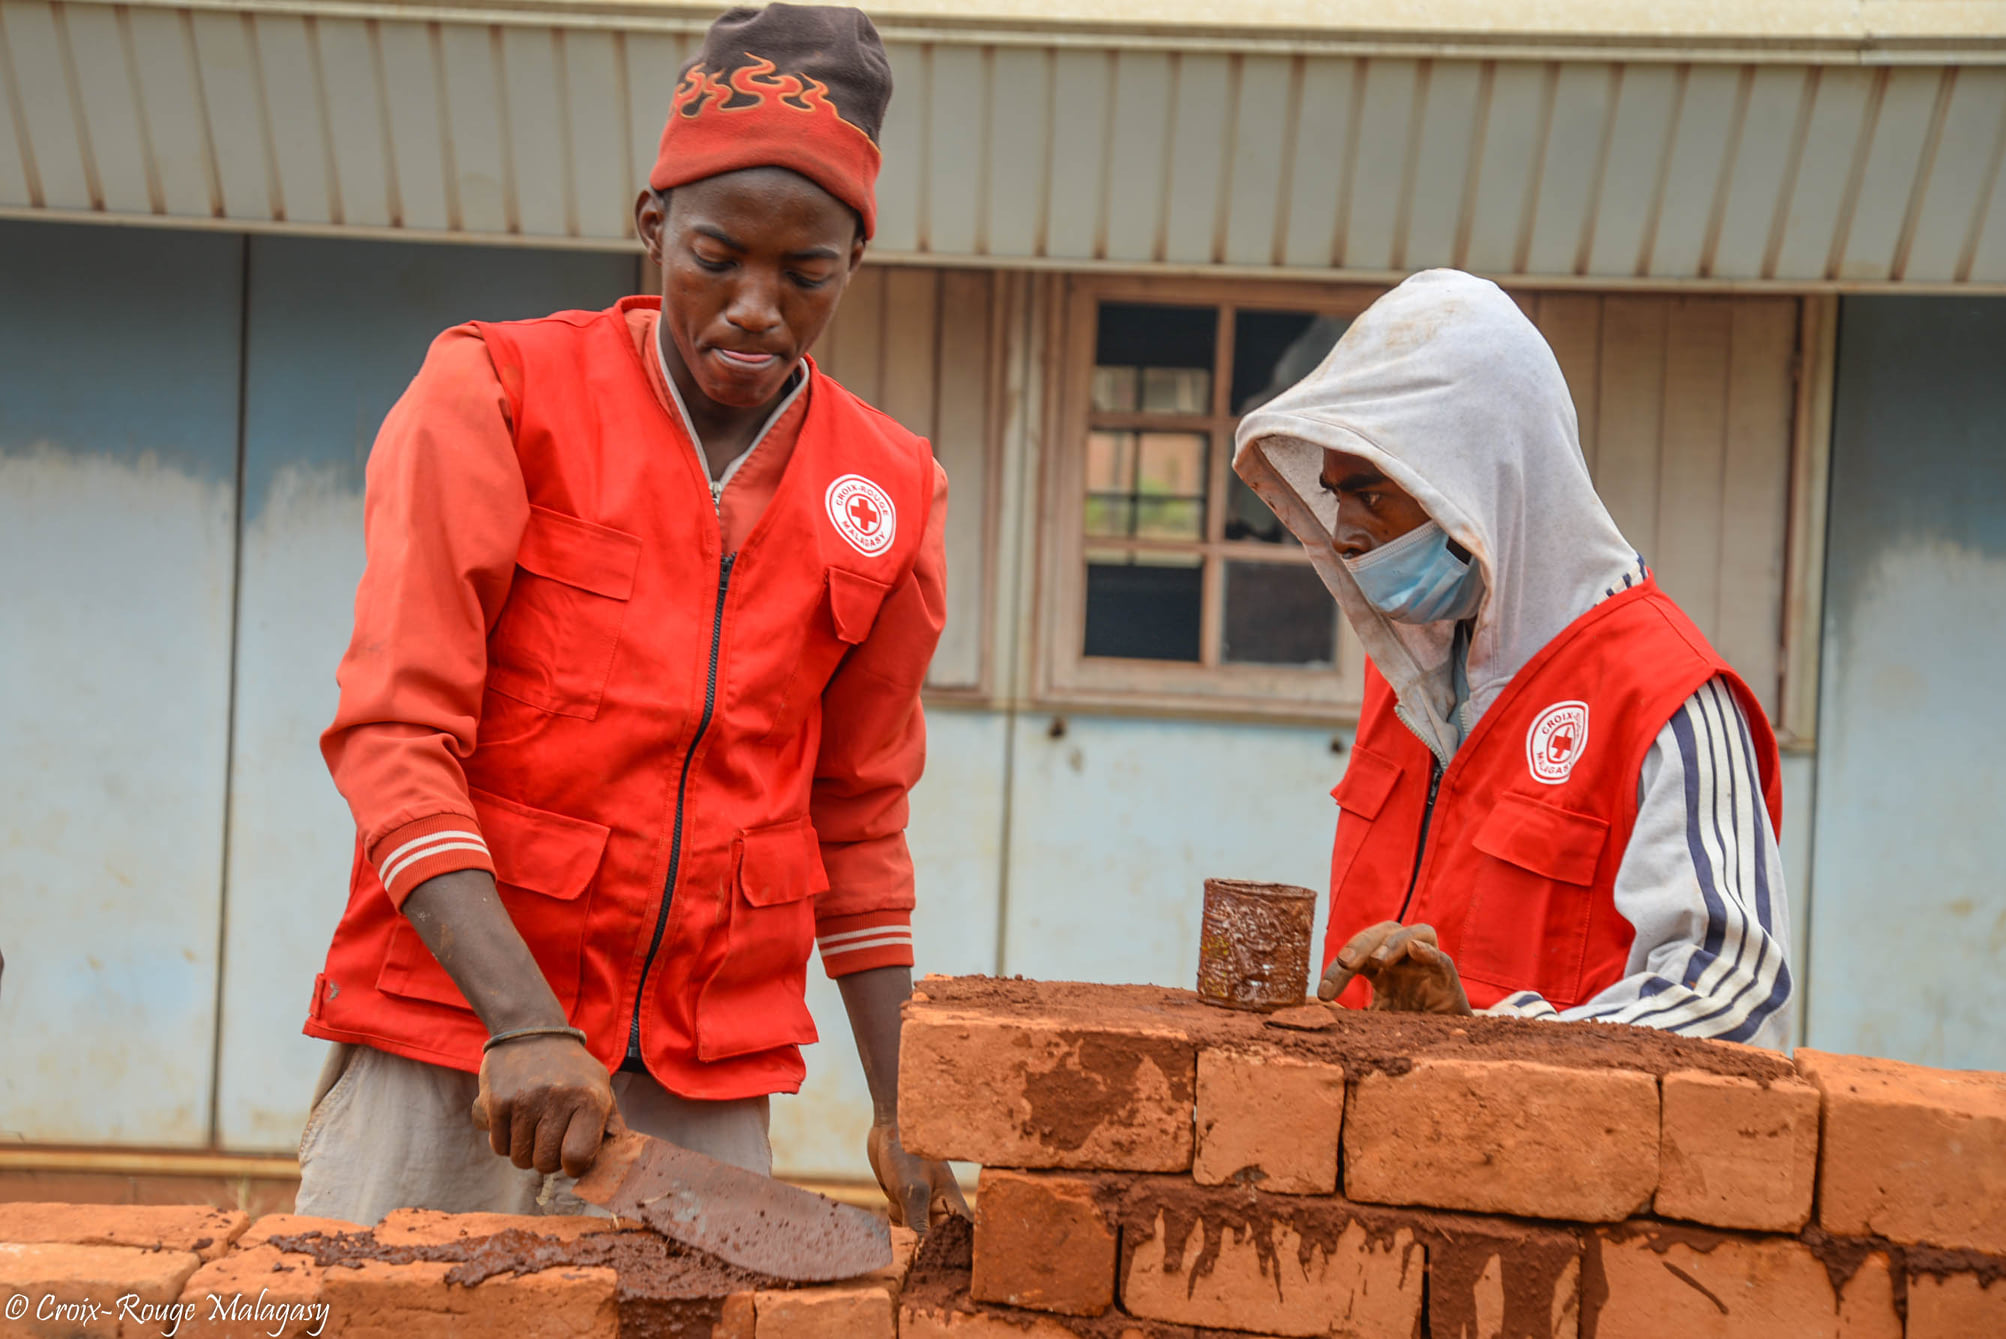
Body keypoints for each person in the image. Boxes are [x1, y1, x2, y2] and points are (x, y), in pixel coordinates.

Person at [294, 3, 967, 1229]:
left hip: (696, 1078)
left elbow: (857, 815)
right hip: (459, 1045)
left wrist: (905, 1106)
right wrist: (523, 1020)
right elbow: (396, 738)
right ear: (652, 222)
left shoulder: (892, 489)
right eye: (717, 256)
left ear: (853, 262)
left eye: (804, 273)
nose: (756, 306)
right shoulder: (499, 392)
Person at [1234, 269, 1791, 1048]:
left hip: (1550, 1157)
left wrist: (1494, 1041)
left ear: (1477, 479)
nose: (1347, 531)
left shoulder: (1669, 698)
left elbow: (1733, 989)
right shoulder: (1406, 681)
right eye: (1335, 498)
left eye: (1372, 494)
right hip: (1369, 1152)